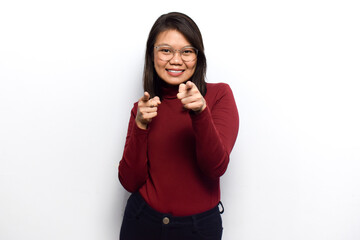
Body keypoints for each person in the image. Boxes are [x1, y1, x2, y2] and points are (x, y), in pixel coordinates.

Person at [118, 12, 239, 240]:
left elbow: (215, 167)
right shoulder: (143, 108)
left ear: (198, 57)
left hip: (198, 229)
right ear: (152, 54)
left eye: (187, 51)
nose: (176, 60)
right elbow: (129, 181)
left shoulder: (219, 95)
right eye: (165, 50)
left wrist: (200, 113)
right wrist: (140, 125)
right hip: (142, 222)